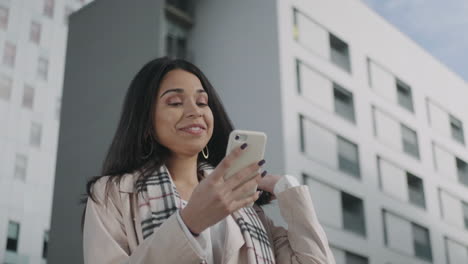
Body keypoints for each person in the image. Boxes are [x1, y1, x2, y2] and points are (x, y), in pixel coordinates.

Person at [82, 57, 336, 264]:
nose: (195, 111)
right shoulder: (112, 194)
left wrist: (287, 188)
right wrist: (189, 223)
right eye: (175, 102)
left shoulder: (247, 208)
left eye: (202, 102)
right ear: (146, 123)